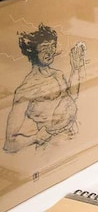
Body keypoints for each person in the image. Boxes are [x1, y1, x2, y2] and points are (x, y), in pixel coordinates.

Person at [4, 24, 87, 152]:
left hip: (75, 140)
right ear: (33, 51)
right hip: (51, 149)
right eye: (44, 48)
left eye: (52, 46)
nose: (50, 52)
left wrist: (76, 69)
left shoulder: (58, 74)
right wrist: (36, 137)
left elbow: (72, 98)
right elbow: (10, 143)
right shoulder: (26, 89)